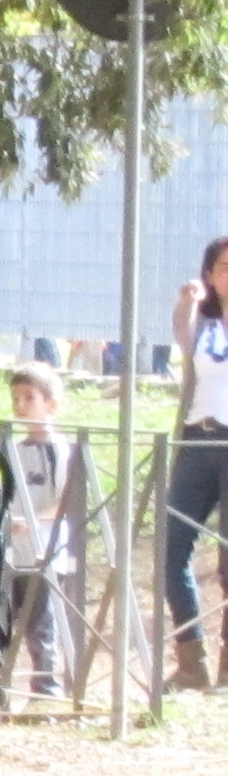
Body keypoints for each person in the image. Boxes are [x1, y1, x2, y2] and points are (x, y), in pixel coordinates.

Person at [0, 362, 85, 707]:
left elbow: (66, 500)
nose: (20, 406)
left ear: (51, 403)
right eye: (15, 398)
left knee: (42, 622)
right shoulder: (14, 449)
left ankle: (47, 689)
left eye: (29, 398)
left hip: (46, 548)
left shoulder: (59, 449)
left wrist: (32, 521)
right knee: (7, 618)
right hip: (14, 550)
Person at [164, 239, 228, 692]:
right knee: (172, 550)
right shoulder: (204, 325)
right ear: (209, 275)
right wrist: (187, 302)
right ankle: (192, 660)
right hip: (197, 438)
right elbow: (183, 336)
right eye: (223, 266)